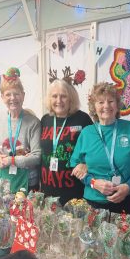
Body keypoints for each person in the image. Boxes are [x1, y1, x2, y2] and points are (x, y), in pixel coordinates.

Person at [70, 82, 130, 215]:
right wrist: (93, 183)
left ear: (117, 104)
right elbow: (76, 168)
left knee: (125, 236)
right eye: (101, 102)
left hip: (127, 200)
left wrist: (128, 187)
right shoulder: (86, 133)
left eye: (111, 101)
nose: (106, 106)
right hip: (94, 203)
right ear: (94, 107)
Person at [40, 68, 92, 206]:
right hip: (47, 190)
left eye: (63, 96)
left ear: (71, 99)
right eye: (54, 96)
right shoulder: (45, 120)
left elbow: (94, 150)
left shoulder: (82, 119)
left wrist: (86, 164)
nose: (59, 100)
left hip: (74, 192)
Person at [0, 67, 41, 194]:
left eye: (16, 94)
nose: (12, 98)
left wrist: (12, 160)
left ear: (23, 95)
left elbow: (37, 156)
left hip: (27, 181)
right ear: (2, 97)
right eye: (8, 94)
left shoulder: (33, 122)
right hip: (2, 178)